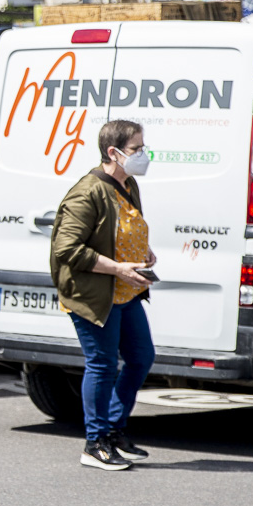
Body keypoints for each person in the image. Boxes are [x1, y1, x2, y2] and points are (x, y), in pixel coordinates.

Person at [50, 119, 158, 471]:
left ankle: (113, 429)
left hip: (125, 290)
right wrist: (116, 268)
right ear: (113, 152)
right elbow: (67, 247)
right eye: (136, 149)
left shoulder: (128, 184)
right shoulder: (87, 191)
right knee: (103, 364)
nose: (143, 155)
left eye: (143, 148)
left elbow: (123, 226)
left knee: (141, 357)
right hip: (95, 292)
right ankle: (94, 442)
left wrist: (145, 251)